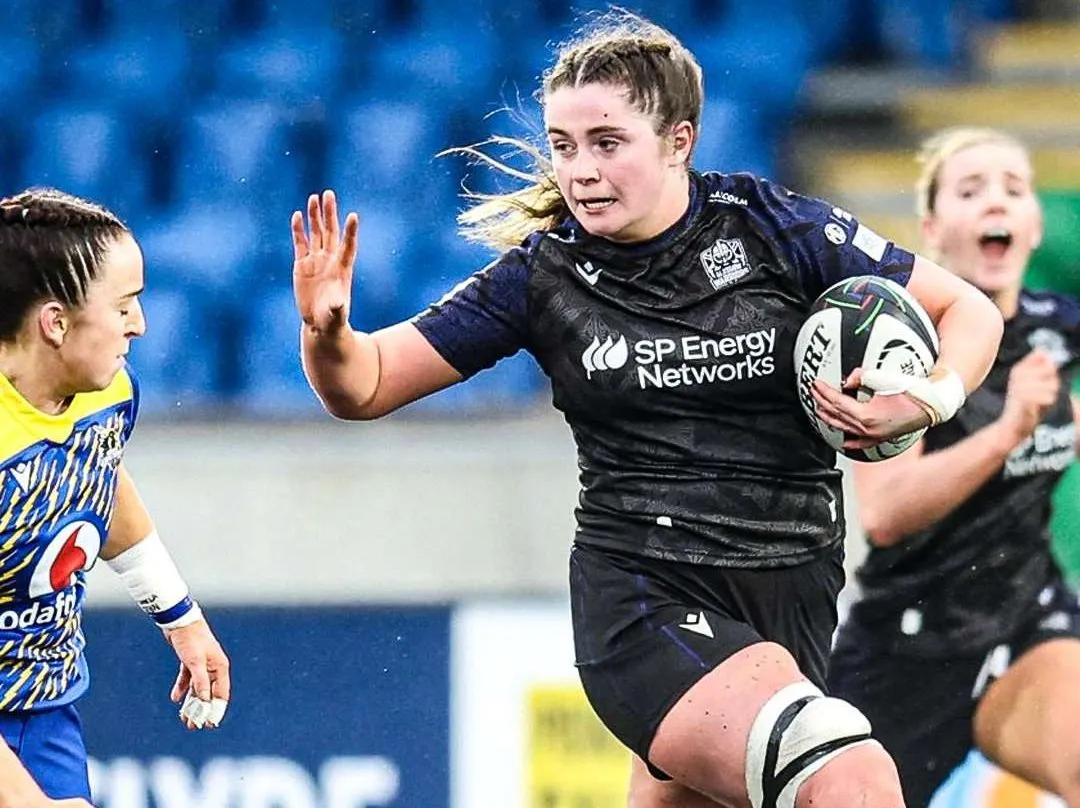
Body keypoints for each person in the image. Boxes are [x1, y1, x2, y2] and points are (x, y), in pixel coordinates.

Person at [293, 11, 1003, 807]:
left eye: (606, 142)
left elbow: (968, 312)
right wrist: (328, 334)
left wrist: (927, 401)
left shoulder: (773, 228)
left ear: (680, 141)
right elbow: (365, 384)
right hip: (645, 599)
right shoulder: (543, 277)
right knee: (854, 777)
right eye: (563, 146)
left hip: (793, 592)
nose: (581, 170)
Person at [827, 126, 1080, 808]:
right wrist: (1009, 432)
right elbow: (885, 515)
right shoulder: (897, 337)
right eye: (971, 191)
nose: (996, 203)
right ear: (933, 230)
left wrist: (1062, 426)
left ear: (1033, 224)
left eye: (1013, 189)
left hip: (1027, 618)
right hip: (907, 641)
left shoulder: (1056, 326)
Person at [0, 188, 231, 808]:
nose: (141, 324)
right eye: (125, 305)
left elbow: (93, 476)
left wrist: (180, 617)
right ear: (55, 322)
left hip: (44, 706)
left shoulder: (108, 391)